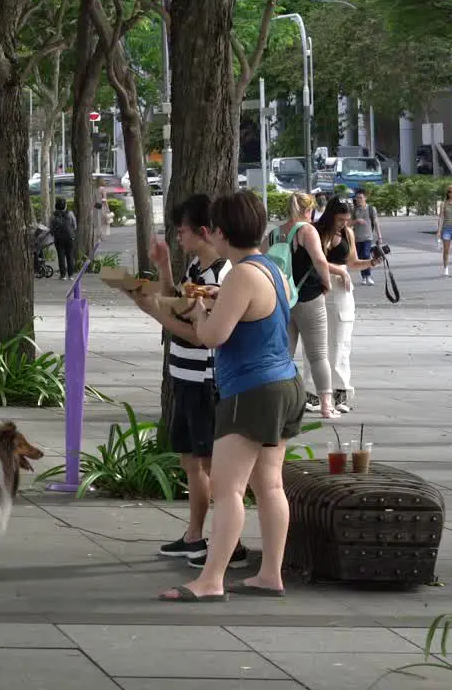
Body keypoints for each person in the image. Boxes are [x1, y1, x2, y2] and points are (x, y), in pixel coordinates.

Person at [159, 191, 305, 603]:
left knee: (227, 489)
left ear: (221, 232)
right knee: (270, 485)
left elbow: (212, 337)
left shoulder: (240, 274)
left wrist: (200, 309)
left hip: (251, 391)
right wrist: (213, 301)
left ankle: (211, 580)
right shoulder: (269, 267)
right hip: (286, 385)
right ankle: (270, 574)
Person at [125, 194, 241, 568]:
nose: (178, 237)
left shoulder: (222, 275)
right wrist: (163, 272)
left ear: (203, 232)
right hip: (184, 373)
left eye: (183, 230)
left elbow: (198, 333)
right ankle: (195, 535)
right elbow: (179, 303)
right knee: (191, 460)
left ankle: (226, 543)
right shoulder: (196, 266)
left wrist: (153, 313)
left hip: (204, 376)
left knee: (210, 464)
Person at [265, 193, 336, 418]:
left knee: (283, 355)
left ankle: (280, 405)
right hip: (309, 298)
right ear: (309, 210)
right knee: (318, 355)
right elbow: (320, 260)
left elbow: (260, 259)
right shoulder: (307, 231)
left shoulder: (275, 233)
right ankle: (326, 405)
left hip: (283, 301)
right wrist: (327, 282)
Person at [309, 197, 379, 414]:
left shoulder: (347, 233)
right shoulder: (315, 232)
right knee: (316, 344)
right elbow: (314, 260)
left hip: (341, 291)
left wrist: (372, 262)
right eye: (340, 220)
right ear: (330, 215)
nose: (343, 224)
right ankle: (312, 392)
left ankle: (339, 390)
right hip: (319, 287)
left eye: (347, 220)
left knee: (341, 341)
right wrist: (337, 270)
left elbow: (352, 263)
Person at [349, 189, 381, 285]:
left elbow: (375, 222)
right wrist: (356, 221)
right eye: (357, 198)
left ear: (365, 198)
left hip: (368, 237)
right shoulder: (354, 210)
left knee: (366, 255)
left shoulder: (371, 209)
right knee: (360, 258)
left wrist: (379, 236)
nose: (359, 199)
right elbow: (348, 223)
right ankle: (364, 277)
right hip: (357, 238)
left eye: (360, 197)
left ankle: (368, 276)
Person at [50, 198, 77, 280]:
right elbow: (74, 225)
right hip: (69, 238)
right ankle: (71, 275)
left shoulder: (53, 215)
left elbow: (51, 228)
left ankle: (63, 275)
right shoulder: (70, 213)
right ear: (65, 206)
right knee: (70, 256)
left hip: (58, 239)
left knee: (61, 256)